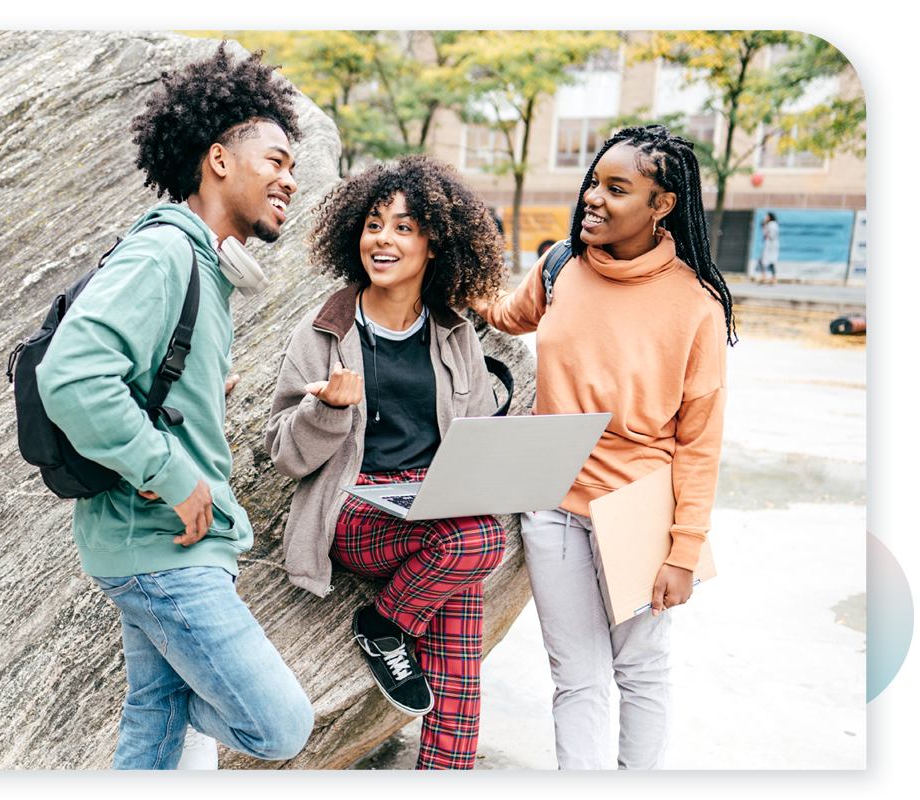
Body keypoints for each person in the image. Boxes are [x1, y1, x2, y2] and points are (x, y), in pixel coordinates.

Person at [36, 43, 314, 771]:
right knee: (279, 725)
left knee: (154, 726)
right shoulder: (166, 254)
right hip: (161, 548)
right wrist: (172, 472)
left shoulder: (203, 268)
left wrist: (192, 395)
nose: (291, 178)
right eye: (276, 160)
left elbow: (129, 379)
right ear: (218, 159)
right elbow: (70, 374)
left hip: (160, 546)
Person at [471, 124, 735, 770]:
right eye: (594, 181)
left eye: (617, 189)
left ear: (662, 205)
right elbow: (508, 314)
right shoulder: (562, 265)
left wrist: (684, 549)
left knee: (640, 671)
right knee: (575, 676)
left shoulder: (696, 306)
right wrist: (440, 271)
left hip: (639, 508)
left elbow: (700, 443)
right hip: (552, 499)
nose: (594, 197)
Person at [265, 155, 508, 770]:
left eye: (404, 227)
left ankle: (445, 768)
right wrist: (328, 412)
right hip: (354, 510)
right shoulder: (324, 330)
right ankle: (380, 624)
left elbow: (475, 437)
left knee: (459, 662)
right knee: (481, 538)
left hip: (437, 512)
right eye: (374, 224)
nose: (384, 239)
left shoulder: (455, 334)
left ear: (435, 245)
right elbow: (285, 455)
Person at [759, 212, 779, 283]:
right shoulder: (774, 224)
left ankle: (770, 277)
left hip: (770, 246)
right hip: (771, 246)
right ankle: (767, 277)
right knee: (767, 261)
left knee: (768, 261)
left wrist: (764, 228)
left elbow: (770, 235)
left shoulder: (771, 225)